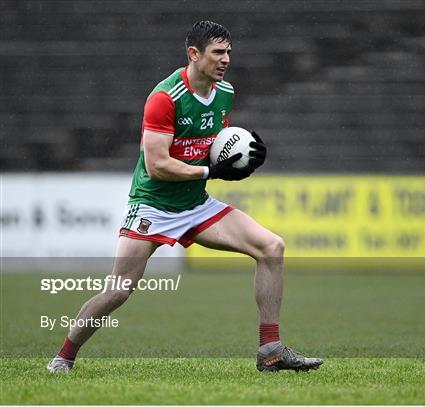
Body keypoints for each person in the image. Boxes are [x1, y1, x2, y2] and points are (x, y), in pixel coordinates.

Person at [47, 20, 323, 373]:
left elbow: (212, 151)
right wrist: (213, 171)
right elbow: (158, 164)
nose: (226, 60)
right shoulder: (164, 98)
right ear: (194, 54)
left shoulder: (225, 93)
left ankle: (270, 350)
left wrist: (242, 158)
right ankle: (63, 357)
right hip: (151, 206)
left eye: (229, 53)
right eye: (218, 52)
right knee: (118, 291)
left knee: (271, 247)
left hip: (195, 205)